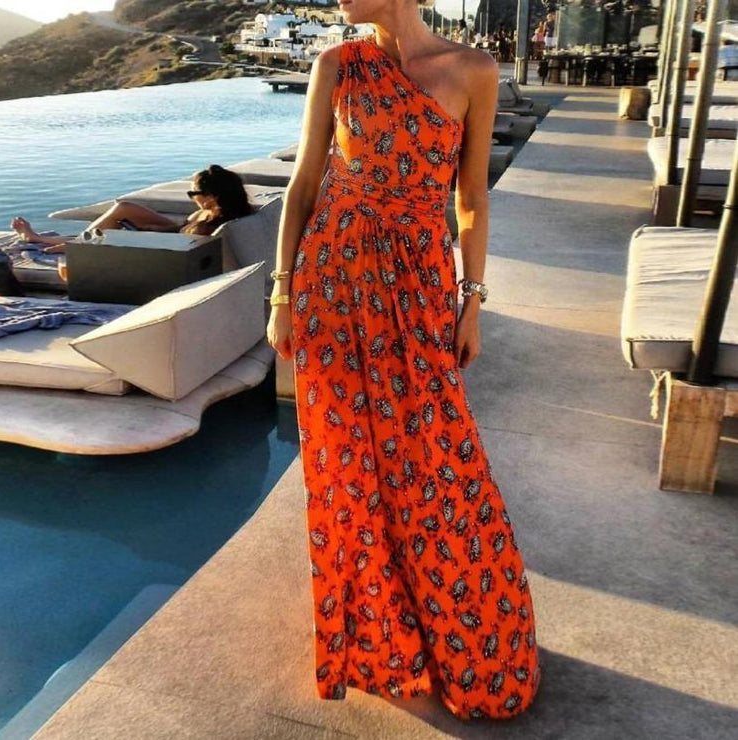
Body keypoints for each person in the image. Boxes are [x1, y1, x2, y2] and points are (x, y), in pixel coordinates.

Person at [266, 0, 541, 721]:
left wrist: (472, 300)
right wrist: (282, 294)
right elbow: (304, 185)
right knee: (349, 465)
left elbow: (471, 198)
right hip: (332, 281)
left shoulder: (473, 70)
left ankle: (467, 635)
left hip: (419, 287)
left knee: (437, 460)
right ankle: (380, 636)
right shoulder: (336, 65)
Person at [10, 164, 253, 254]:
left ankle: (59, 242)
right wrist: (150, 228)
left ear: (212, 197)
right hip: (174, 233)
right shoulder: (220, 213)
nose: (190, 198)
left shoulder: (204, 228)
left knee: (106, 234)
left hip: (168, 244)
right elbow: (180, 232)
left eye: (193, 194)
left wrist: (142, 235)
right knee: (124, 208)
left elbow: (176, 246)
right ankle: (75, 241)